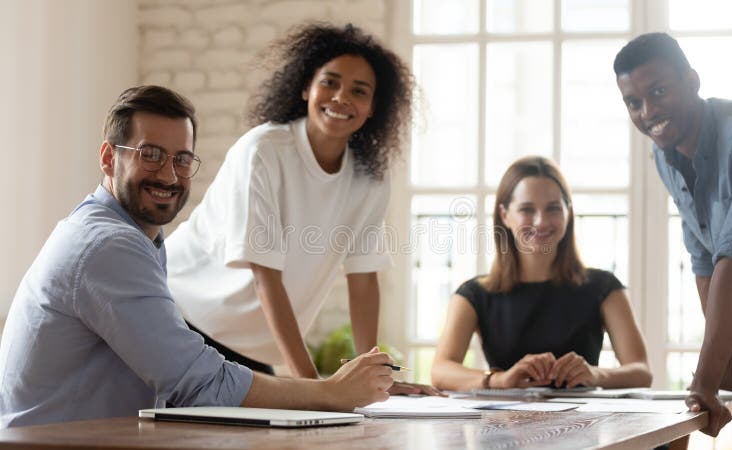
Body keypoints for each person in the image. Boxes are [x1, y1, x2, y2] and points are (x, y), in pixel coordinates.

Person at [0, 85, 395, 428]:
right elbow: (199, 383)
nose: (169, 176)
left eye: (182, 159)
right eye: (150, 154)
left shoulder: (133, 238)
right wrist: (328, 392)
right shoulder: (107, 245)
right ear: (108, 158)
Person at [165, 23, 437, 395]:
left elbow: (363, 278)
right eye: (330, 82)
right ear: (307, 86)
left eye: (359, 91)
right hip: (182, 317)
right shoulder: (263, 151)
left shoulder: (370, 176)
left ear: (374, 108)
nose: (341, 97)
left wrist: (373, 377)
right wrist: (318, 389)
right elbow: (266, 277)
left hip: (247, 345)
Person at [614, 32, 732, 445]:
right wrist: (722, 377)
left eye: (658, 91)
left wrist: (704, 379)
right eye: (633, 102)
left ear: (692, 81)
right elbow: (704, 263)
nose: (648, 112)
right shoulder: (666, 156)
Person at [431, 156, 652, 392]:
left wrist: (595, 374)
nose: (541, 221)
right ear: (505, 215)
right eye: (527, 209)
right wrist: (499, 380)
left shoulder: (604, 287)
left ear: (568, 211)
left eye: (553, 208)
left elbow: (641, 371)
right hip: (504, 424)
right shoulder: (474, 294)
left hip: (583, 424)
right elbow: (441, 371)